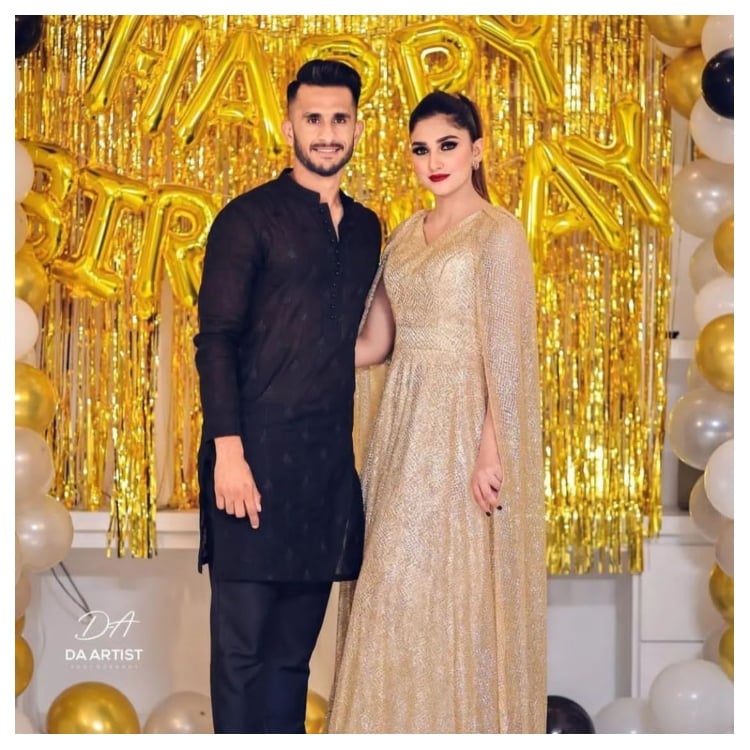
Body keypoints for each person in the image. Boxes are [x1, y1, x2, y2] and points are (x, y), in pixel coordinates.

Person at [327, 91, 547, 733]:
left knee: (451, 594)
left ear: (477, 149)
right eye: (421, 150)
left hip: (460, 428)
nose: (434, 161)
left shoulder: (499, 233)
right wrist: (295, 357)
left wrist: (492, 448)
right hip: (402, 427)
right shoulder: (404, 234)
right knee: (389, 589)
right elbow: (376, 342)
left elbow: (506, 356)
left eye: (448, 145)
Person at [193, 59, 382, 734]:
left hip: (325, 473)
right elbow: (215, 339)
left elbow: (365, 336)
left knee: (292, 665)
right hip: (251, 461)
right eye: (313, 119)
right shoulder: (246, 219)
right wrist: (228, 455)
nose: (327, 133)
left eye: (339, 119)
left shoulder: (366, 229)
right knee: (242, 657)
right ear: (288, 126)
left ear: (356, 125)